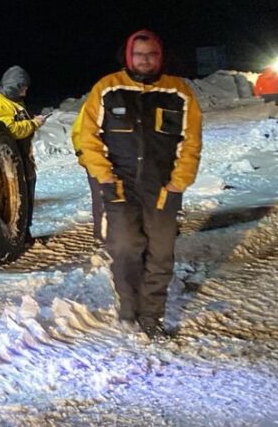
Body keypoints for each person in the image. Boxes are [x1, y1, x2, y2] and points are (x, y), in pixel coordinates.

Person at [75, 29, 202, 339]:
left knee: (160, 254)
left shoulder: (180, 93)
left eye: (151, 54)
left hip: (162, 188)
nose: (145, 60)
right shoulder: (107, 89)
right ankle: (129, 306)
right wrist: (104, 175)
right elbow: (85, 136)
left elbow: (191, 143)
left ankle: (151, 317)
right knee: (126, 247)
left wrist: (177, 184)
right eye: (139, 54)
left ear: (161, 56)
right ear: (128, 56)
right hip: (120, 183)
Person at [0, 65, 46, 215]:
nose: (25, 93)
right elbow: (11, 129)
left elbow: (17, 118)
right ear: (14, 86)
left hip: (23, 156)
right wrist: (34, 124)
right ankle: (22, 233)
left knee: (28, 191)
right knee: (19, 197)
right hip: (11, 160)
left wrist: (31, 119)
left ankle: (27, 232)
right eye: (23, 88)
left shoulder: (12, 98)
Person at [71, 111, 105, 244]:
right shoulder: (95, 104)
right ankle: (102, 236)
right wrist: (85, 157)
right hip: (98, 161)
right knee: (102, 198)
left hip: (125, 162)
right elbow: (78, 132)